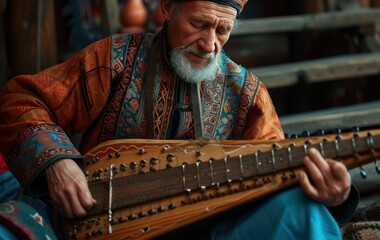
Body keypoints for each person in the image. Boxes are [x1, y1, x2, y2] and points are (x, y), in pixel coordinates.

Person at [0, 0, 357, 239]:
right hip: (95, 225)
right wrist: (57, 163)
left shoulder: (247, 94)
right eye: (199, 24)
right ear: (167, 8)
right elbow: (22, 99)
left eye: (223, 31)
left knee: (300, 210)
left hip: (204, 232)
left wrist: (333, 196)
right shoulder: (115, 60)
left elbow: (273, 175)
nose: (210, 44)